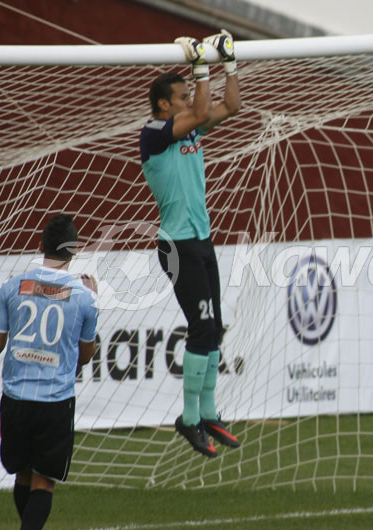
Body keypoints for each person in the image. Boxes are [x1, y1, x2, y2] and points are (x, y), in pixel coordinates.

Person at [139, 30, 241, 458]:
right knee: (200, 328)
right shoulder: (154, 132)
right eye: (181, 97)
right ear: (163, 104)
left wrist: (228, 64)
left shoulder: (190, 129)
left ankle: (209, 413)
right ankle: (188, 418)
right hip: (177, 246)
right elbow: (201, 110)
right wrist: (201, 67)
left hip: (201, 240)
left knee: (213, 328)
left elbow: (231, 106)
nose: (189, 101)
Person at [0, 214, 98, 530]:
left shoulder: (12, 287)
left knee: (22, 474)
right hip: (55, 402)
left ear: (40, 245)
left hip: (15, 399)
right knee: (43, 482)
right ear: (74, 250)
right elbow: (85, 356)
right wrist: (95, 301)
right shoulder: (84, 297)